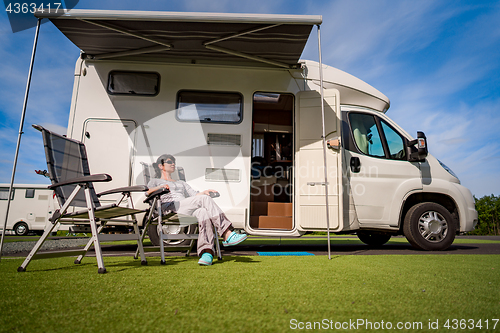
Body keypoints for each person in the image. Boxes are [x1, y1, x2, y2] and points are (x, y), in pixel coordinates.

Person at [146, 154, 247, 266]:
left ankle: (206, 253)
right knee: (203, 200)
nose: (173, 163)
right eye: (169, 162)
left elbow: (195, 195)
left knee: (203, 211)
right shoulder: (155, 181)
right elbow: (147, 192)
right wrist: (160, 187)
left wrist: (205, 192)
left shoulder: (181, 183)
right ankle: (227, 232)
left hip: (184, 207)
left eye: (174, 161)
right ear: (160, 166)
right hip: (170, 208)